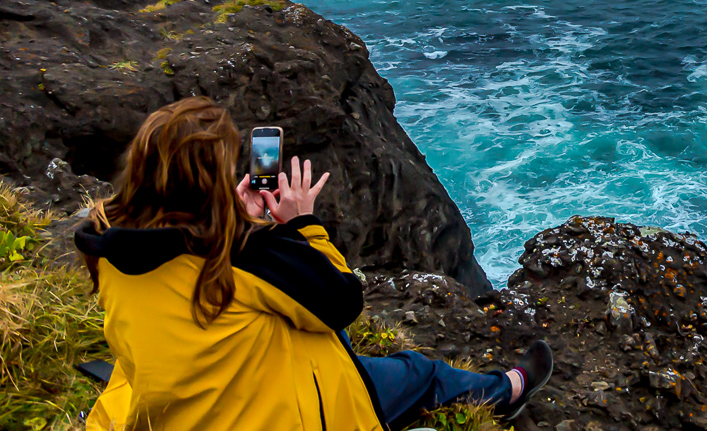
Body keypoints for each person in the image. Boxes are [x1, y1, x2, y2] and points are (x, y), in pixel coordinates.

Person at [75, 96, 553, 430]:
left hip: (176, 399)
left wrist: (235, 220)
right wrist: (301, 224)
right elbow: (340, 300)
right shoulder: (241, 257)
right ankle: (509, 390)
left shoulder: (108, 244)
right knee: (416, 372)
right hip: (273, 412)